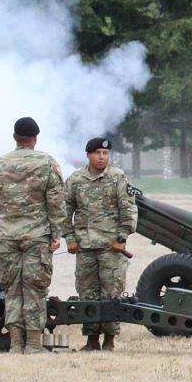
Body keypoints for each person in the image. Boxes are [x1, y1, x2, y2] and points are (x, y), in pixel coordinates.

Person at [0, 117, 66, 354]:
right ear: (35, 138)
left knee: (11, 289)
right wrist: (56, 233)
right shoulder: (47, 163)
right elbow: (56, 203)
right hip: (37, 236)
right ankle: (33, 345)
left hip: (8, 237)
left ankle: (16, 343)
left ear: (15, 137)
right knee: (35, 290)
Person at [62, 137, 138, 352]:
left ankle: (110, 339)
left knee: (112, 292)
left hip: (110, 248)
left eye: (105, 153)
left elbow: (129, 210)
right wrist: (70, 238)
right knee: (87, 293)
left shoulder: (118, 178)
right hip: (85, 247)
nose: (102, 157)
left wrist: (122, 238)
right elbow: (65, 211)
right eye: (97, 153)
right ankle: (92, 339)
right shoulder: (76, 180)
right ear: (88, 155)